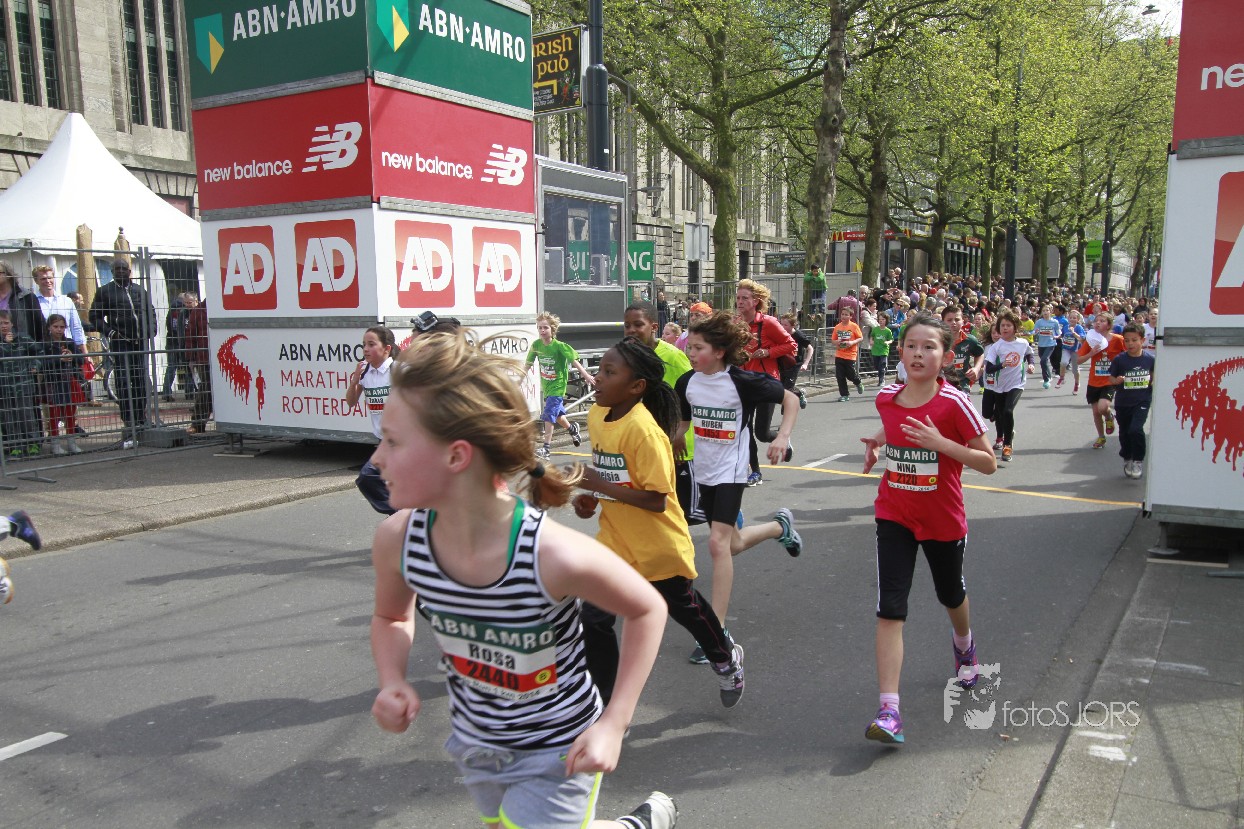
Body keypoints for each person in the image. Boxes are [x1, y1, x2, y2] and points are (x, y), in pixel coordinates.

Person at [367, 331, 676, 829]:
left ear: (456, 456)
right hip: (477, 740)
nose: (376, 459)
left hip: (559, 746)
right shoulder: (399, 540)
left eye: (393, 441)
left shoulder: (548, 553)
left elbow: (647, 608)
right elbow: (390, 616)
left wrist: (614, 723)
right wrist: (392, 680)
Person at [573, 338, 744, 708]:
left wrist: (599, 486)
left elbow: (656, 499)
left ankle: (725, 656)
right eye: (599, 370)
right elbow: (613, 476)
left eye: (609, 372)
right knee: (593, 618)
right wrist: (591, 499)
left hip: (657, 545)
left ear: (636, 386)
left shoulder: (645, 432)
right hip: (615, 542)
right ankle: (604, 705)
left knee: (687, 610)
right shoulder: (597, 416)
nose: (598, 378)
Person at [859, 311, 998, 745]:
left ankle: (964, 645)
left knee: (950, 593)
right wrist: (878, 442)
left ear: (947, 357)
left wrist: (941, 444)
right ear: (900, 352)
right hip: (894, 514)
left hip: (942, 519)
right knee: (890, 608)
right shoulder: (887, 396)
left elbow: (988, 462)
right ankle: (889, 711)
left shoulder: (954, 404)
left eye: (929, 347)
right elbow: (896, 423)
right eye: (911, 346)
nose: (918, 353)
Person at [673, 310, 801, 661]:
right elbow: (685, 418)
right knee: (732, 544)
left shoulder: (743, 381)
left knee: (717, 544)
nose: (690, 353)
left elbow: (791, 399)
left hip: (732, 470)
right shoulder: (687, 382)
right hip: (704, 470)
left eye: (697, 348)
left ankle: (716, 631)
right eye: (689, 346)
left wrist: (782, 436)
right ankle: (780, 528)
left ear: (718, 351)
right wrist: (678, 435)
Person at [622, 301, 702, 526]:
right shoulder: (626, 356)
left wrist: (679, 432)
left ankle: (725, 515)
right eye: (627, 326)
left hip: (676, 442)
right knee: (655, 508)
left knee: (687, 514)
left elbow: (692, 392)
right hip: (646, 443)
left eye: (638, 324)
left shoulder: (673, 356)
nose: (631, 330)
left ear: (654, 327)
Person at [734, 280, 796, 486]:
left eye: (745, 298)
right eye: (738, 298)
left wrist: (768, 352)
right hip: (743, 383)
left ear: (756, 301)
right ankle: (755, 472)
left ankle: (781, 439)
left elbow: (791, 344)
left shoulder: (768, 323)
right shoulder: (735, 323)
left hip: (765, 382)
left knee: (761, 433)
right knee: (744, 430)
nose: (740, 302)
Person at [89, 259, 156, 444]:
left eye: (124, 269)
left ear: (129, 271)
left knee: (141, 380)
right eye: (117, 269)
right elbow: (94, 316)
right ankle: (128, 419)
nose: (120, 271)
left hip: (140, 342)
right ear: (112, 272)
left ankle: (141, 417)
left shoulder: (140, 290)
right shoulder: (105, 291)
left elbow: (150, 311)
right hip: (121, 342)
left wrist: (151, 330)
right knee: (123, 381)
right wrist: (111, 332)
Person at [525, 312, 595, 460]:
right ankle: (572, 429)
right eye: (540, 328)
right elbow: (528, 364)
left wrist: (586, 375)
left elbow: (574, 361)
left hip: (558, 385)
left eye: (545, 327)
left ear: (553, 329)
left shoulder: (559, 346)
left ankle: (546, 449)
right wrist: (518, 380)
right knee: (557, 416)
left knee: (549, 414)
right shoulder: (536, 345)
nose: (542, 330)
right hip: (547, 385)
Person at [346, 326, 400, 515]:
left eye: (371, 344)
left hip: (400, 440)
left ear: (387, 348)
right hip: (382, 440)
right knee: (377, 480)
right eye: (364, 345)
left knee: (367, 476)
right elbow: (351, 402)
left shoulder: (398, 370)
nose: (366, 349)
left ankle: (401, 515)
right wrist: (354, 381)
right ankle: (401, 515)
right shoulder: (365, 372)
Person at [981, 310, 1036, 462]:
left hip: (1017, 383)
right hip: (999, 386)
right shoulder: (996, 347)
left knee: (1008, 411)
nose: (1005, 328)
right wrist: (1002, 364)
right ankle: (1008, 432)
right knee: (1001, 415)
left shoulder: (1022, 343)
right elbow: (989, 368)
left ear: (1015, 327)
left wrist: (1031, 364)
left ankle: (1007, 446)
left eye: (1008, 325)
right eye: (1002, 325)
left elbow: (1029, 353)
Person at [1108, 322, 1155, 479]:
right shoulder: (1120, 360)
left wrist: (1153, 382)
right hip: (1123, 402)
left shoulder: (1150, 359)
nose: (1130, 344)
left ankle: (1138, 460)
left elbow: (1154, 378)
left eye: (1134, 340)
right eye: (1127, 340)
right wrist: (1117, 381)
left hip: (1142, 400)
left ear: (1142, 340)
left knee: (1136, 429)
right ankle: (1127, 457)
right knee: (1125, 432)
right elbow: (1111, 378)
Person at [39, 314, 86, 455]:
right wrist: (59, 359)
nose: (59, 330)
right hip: (52, 383)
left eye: (62, 327)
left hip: (68, 381)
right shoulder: (44, 344)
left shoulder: (69, 342)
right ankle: (55, 444)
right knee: (54, 414)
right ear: (49, 327)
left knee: (70, 413)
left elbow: (81, 360)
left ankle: (71, 443)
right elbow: (42, 365)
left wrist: (73, 355)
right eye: (56, 326)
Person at [1078, 312, 1125, 450]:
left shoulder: (1118, 339)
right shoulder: (1091, 340)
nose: (1097, 323)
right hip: (1094, 381)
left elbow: (1128, 354)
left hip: (1109, 380)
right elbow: (1078, 360)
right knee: (1096, 412)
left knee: (1103, 407)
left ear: (1109, 325)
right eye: (1096, 321)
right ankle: (1101, 437)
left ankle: (1109, 417)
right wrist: (1090, 353)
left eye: (1102, 321)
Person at [0, 310, 42, 458]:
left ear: (12, 324)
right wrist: (5, 344)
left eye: (6, 323)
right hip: (3, 387)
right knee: (8, 419)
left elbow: (39, 352)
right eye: (0, 323)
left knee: (27, 416)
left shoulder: (23, 338)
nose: (3, 326)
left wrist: (35, 364)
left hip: (23, 385)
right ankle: (15, 446)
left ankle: (33, 444)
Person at [940, 305, 983, 394]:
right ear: (942, 322)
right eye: (949, 320)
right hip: (941, 385)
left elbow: (980, 354)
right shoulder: (937, 340)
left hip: (962, 386)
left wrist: (976, 369)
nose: (953, 323)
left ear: (963, 321)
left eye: (957, 319)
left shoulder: (970, 340)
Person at [161, 292, 196, 402]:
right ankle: (189, 393)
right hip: (183, 343)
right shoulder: (184, 311)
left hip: (171, 342)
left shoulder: (172, 310)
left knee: (171, 367)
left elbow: (170, 326)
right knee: (188, 368)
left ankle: (166, 392)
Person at [185, 296, 212, 434]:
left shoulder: (199, 311)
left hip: (218, 356)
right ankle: (198, 423)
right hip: (204, 357)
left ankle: (198, 423)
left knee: (207, 389)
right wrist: (191, 358)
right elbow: (190, 336)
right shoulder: (198, 311)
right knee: (206, 389)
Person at [778, 313, 813, 409]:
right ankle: (799, 393)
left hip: (794, 364)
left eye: (785, 325)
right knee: (782, 387)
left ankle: (785, 411)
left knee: (787, 389)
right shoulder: (780, 334)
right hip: (783, 364)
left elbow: (810, 348)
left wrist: (806, 363)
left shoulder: (798, 335)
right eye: (781, 324)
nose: (782, 327)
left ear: (793, 325)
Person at [830, 306, 864, 402]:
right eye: (842, 314)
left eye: (846, 315)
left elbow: (860, 338)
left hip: (850, 355)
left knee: (850, 374)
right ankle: (844, 395)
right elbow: (833, 340)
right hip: (839, 354)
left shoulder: (854, 326)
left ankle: (858, 382)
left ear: (850, 316)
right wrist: (837, 342)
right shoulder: (837, 327)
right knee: (840, 376)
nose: (843, 316)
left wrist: (852, 342)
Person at [1056, 309, 1087, 391]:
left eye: (1074, 318)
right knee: (1063, 362)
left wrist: (1074, 333)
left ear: (1078, 319)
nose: (1072, 319)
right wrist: (1056, 337)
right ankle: (1062, 378)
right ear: (1068, 318)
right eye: (1070, 318)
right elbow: (1062, 335)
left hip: (1075, 350)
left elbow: (1081, 339)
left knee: (1075, 369)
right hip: (1066, 348)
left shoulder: (1079, 328)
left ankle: (1077, 383)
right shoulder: (1066, 327)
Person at [1032, 305, 1061, 389]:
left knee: (1043, 360)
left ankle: (1046, 380)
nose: (1045, 312)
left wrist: (1057, 336)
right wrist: (1033, 332)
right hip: (1041, 345)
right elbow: (1034, 331)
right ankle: (1049, 376)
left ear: (1050, 312)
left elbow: (1059, 332)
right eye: (1043, 311)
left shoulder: (1054, 322)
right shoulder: (1039, 322)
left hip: (1051, 344)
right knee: (1043, 362)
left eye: (1047, 310)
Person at [869, 314, 894, 387]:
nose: (881, 321)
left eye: (883, 319)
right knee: (877, 366)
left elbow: (891, 339)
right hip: (875, 350)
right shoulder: (875, 329)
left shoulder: (888, 331)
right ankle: (884, 368)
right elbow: (872, 336)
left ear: (886, 320)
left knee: (882, 366)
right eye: (880, 319)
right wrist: (871, 341)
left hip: (884, 350)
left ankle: (881, 380)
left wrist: (887, 342)